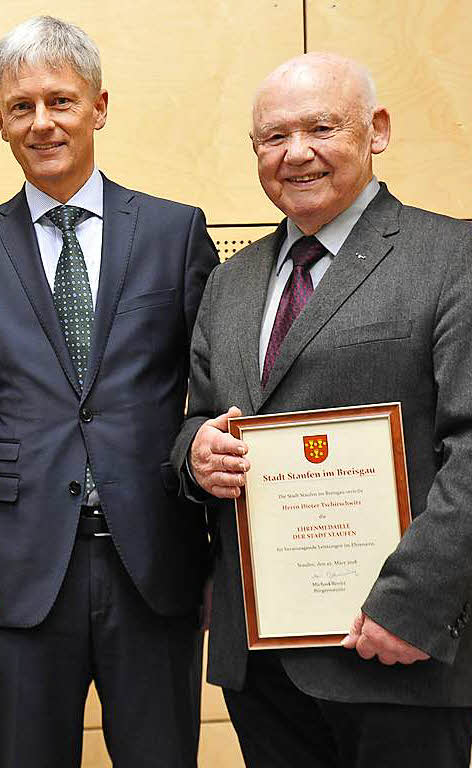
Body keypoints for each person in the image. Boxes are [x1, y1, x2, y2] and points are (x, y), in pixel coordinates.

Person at [0, 15, 218, 768]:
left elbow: (213, 398)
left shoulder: (175, 233)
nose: (42, 122)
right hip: (18, 574)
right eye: (22, 107)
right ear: (0, 122)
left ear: (100, 106)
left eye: (61, 101)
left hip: (154, 563)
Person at [171, 52, 472, 767]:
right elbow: (200, 416)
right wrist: (194, 454)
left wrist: (412, 605)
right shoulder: (232, 282)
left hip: (398, 655)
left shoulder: (452, 254)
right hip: (263, 662)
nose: (296, 153)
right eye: (273, 137)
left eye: (322, 127)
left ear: (378, 131)